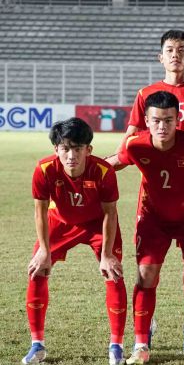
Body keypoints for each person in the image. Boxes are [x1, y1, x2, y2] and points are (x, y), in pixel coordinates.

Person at [112, 29, 184, 353]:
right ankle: (144, 329)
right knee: (147, 269)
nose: (175, 54)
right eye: (169, 49)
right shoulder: (146, 94)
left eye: (181, 49)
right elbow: (128, 147)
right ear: (160, 56)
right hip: (153, 196)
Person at [110, 91, 184, 365]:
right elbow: (114, 163)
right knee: (145, 276)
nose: (162, 126)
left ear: (177, 119)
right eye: (156, 120)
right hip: (153, 219)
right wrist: (81, 167)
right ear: (146, 120)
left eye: (168, 120)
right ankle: (141, 346)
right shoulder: (135, 145)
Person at [24, 118, 127, 365]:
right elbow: (40, 212)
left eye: (78, 148)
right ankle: (37, 345)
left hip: (97, 224)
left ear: (88, 149)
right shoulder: (44, 169)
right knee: (38, 271)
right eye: (65, 148)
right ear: (56, 149)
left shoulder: (103, 171)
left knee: (113, 273)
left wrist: (107, 254)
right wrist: (44, 251)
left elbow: (110, 213)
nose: (72, 155)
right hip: (59, 222)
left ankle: (116, 345)